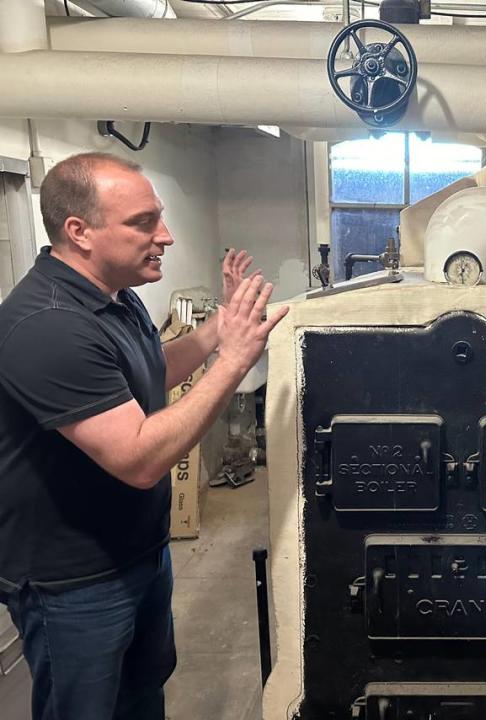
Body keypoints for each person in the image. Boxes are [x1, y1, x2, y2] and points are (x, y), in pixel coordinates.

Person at [0, 152, 288, 720]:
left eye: (160, 217)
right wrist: (232, 364)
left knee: (142, 694)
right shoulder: (48, 326)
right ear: (79, 232)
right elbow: (138, 458)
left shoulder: (116, 294)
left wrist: (217, 331)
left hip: (139, 552)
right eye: (143, 223)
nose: (167, 235)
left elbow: (149, 367)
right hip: (73, 581)